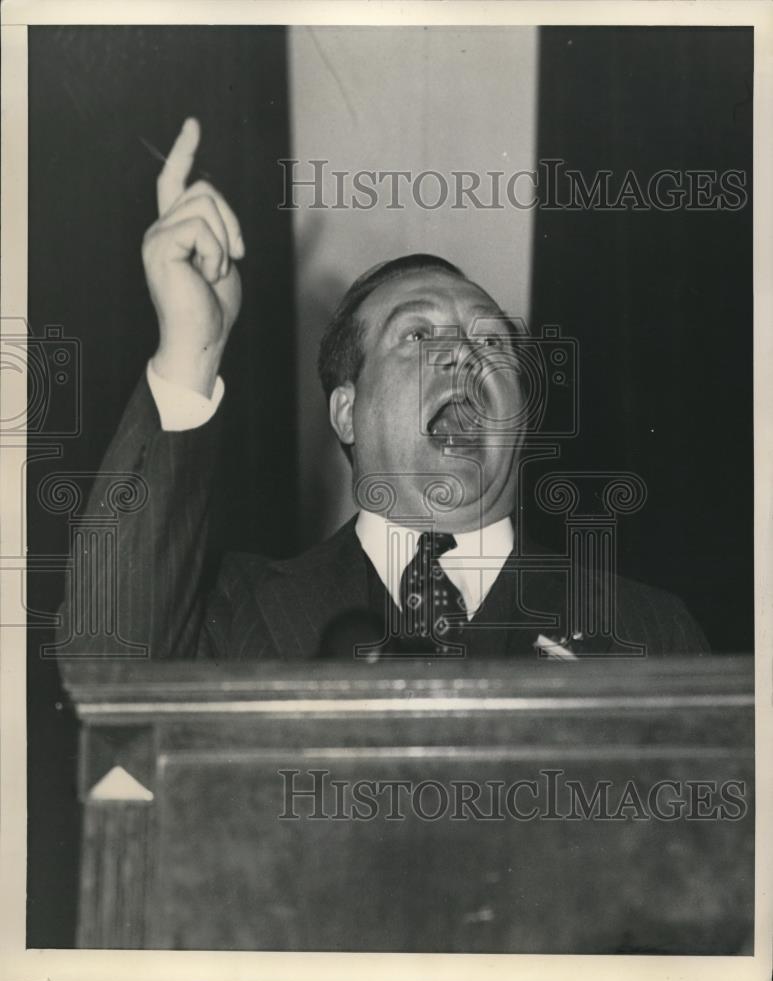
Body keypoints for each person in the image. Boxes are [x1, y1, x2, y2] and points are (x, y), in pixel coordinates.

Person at [58, 118, 708, 662]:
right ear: (346, 409)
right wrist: (189, 345)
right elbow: (104, 662)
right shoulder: (234, 611)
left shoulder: (651, 631)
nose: (461, 352)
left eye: (490, 342)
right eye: (417, 335)